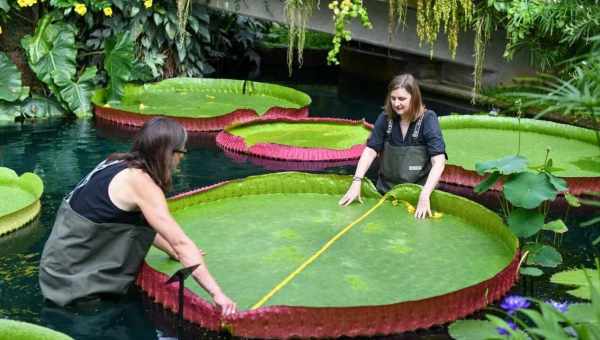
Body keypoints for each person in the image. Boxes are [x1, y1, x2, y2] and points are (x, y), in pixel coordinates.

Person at [39, 117, 237, 315]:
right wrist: (217, 294)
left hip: (54, 270)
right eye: (182, 151)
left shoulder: (115, 162)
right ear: (168, 153)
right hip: (74, 284)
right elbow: (182, 244)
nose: (183, 158)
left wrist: (170, 251)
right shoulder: (141, 183)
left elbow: (139, 222)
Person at [339, 74, 446, 219]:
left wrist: (425, 194)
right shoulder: (385, 118)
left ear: (414, 98)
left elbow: (438, 161)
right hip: (386, 193)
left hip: (418, 194)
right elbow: (370, 151)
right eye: (393, 98)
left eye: (402, 99)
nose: (397, 103)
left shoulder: (428, 119)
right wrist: (357, 181)